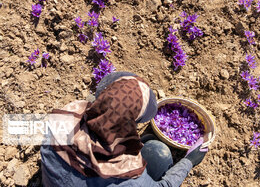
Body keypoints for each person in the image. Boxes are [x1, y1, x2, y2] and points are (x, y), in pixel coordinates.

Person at [40, 71, 208, 187]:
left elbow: (17, 128)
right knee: (159, 154)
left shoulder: (60, 120)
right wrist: (189, 161)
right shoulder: (127, 179)